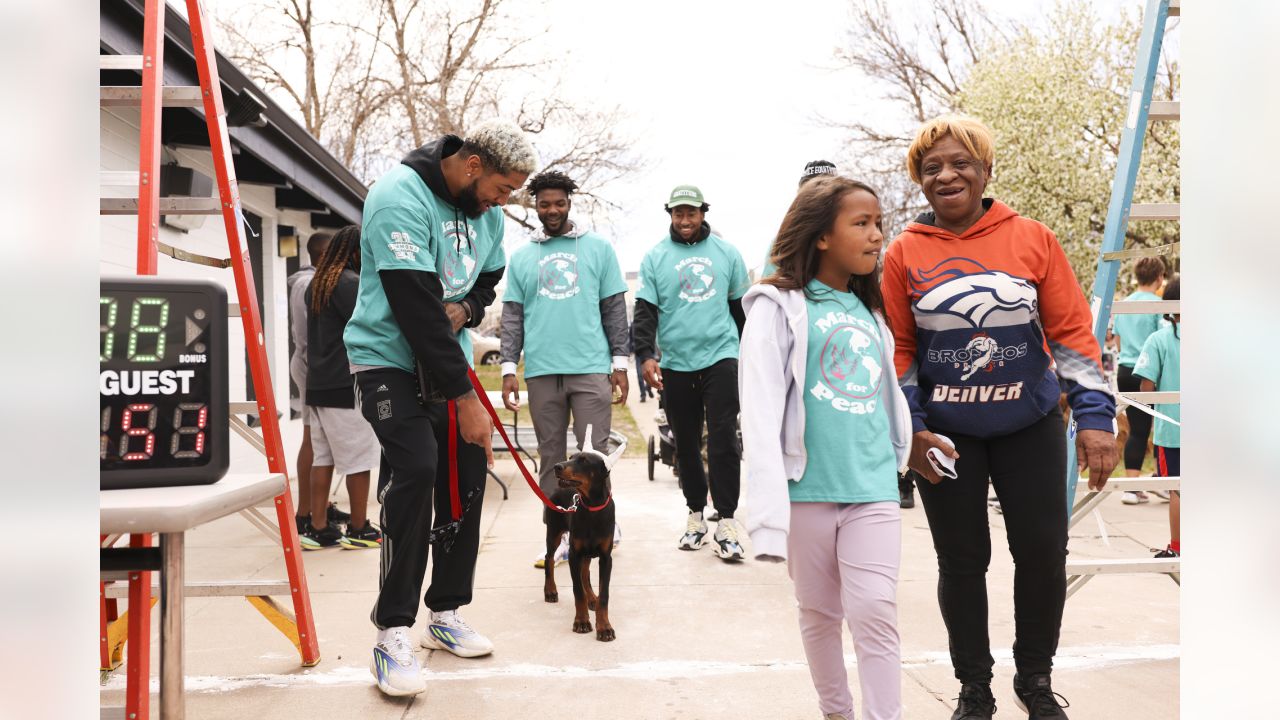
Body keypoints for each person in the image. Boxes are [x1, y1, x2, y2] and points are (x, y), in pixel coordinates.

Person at [881, 115, 1117, 720]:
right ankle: (974, 687)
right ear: (920, 182)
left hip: (1029, 426)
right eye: (931, 168)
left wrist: (1093, 415)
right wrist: (911, 428)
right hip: (945, 435)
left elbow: (1070, 334)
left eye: (960, 162)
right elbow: (899, 349)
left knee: (1042, 551)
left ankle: (1034, 679)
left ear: (986, 170)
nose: (946, 175)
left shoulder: (1032, 238)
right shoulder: (904, 253)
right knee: (962, 561)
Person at [343, 120, 537, 697]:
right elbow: (415, 306)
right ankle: (392, 629)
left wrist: (471, 308)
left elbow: (490, 276)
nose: (505, 203)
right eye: (503, 189)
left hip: (444, 358)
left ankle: (445, 612)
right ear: (473, 165)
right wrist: (466, 398)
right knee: (418, 468)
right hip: (386, 359)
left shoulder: (488, 213)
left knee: (466, 475)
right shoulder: (397, 195)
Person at [742, 176, 911, 720]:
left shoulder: (872, 311)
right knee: (818, 613)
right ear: (820, 236)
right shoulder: (778, 306)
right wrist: (766, 512)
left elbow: (885, 396)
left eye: (878, 223)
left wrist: (909, 443)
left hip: (873, 485)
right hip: (808, 489)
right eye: (860, 224)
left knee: (875, 610)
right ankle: (836, 711)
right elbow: (762, 407)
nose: (875, 235)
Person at [497, 170, 630, 567]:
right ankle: (556, 538)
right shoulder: (522, 257)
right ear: (534, 205)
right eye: (544, 204)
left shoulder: (598, 249)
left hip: (590, 367)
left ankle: (605, 527)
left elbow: (614, 309)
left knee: (592, 456)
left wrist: (620, 363)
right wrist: (508, 367)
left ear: (570, 203)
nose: (552, 210)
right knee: (553, 459)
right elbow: (513, 318)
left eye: (559, 203)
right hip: (541, 371)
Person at [633, 184, 750, 562]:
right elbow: (646, 312)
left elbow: (740, 310)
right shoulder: (655, 258)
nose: (685, 220)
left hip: (721, 355)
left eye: (692, 213)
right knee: (684, 443)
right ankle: (696, 515)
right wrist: (647, 355)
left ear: (703, 213)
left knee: (723, 438)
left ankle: (727, 520)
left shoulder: (726, 253)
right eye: (678, 213)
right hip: (677, 362)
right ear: (670, 214)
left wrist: (750, 352)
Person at [301, 225, 382, 550]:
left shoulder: (317, 284)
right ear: (353, 251)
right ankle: (359, 528)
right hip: (344, 384)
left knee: (324, 458)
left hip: (319, 383)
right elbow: (372, 325)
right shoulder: (349, 283)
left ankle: (318, 527)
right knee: (359, 459)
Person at [287, 232, 350, 535]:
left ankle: (320, 505)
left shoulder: (322, 281)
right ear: (324, 254)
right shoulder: (305, 285)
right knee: (313, 439)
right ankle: (304, 511)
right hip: (313, 366)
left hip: (322, 366)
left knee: (322, 439)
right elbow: (307, 337)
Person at [1113, 256, 1168, 503]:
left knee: (1136, 429)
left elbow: (1117, 341)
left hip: (1125, 369)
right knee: (1162, 427)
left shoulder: (1124, 303)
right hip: (1150, 371)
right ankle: (1162, 479)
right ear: (1159, 278)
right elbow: (1162, 339)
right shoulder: (1158, 304)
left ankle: (1132, 487)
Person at [1134, 275, 1180, 558]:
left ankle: (1177, 547)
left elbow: (1147, 387)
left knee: (1178, 489)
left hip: (1173, 430)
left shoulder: (1159, 339)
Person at [631, 322, 654, 402]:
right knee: (639, 374)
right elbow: (630, 338)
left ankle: (648, 386)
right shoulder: (633, 324)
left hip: (649, 351)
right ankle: (643, 394)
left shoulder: (648, 322)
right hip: (638, 352)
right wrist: (631, 350)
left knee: (650, 372)